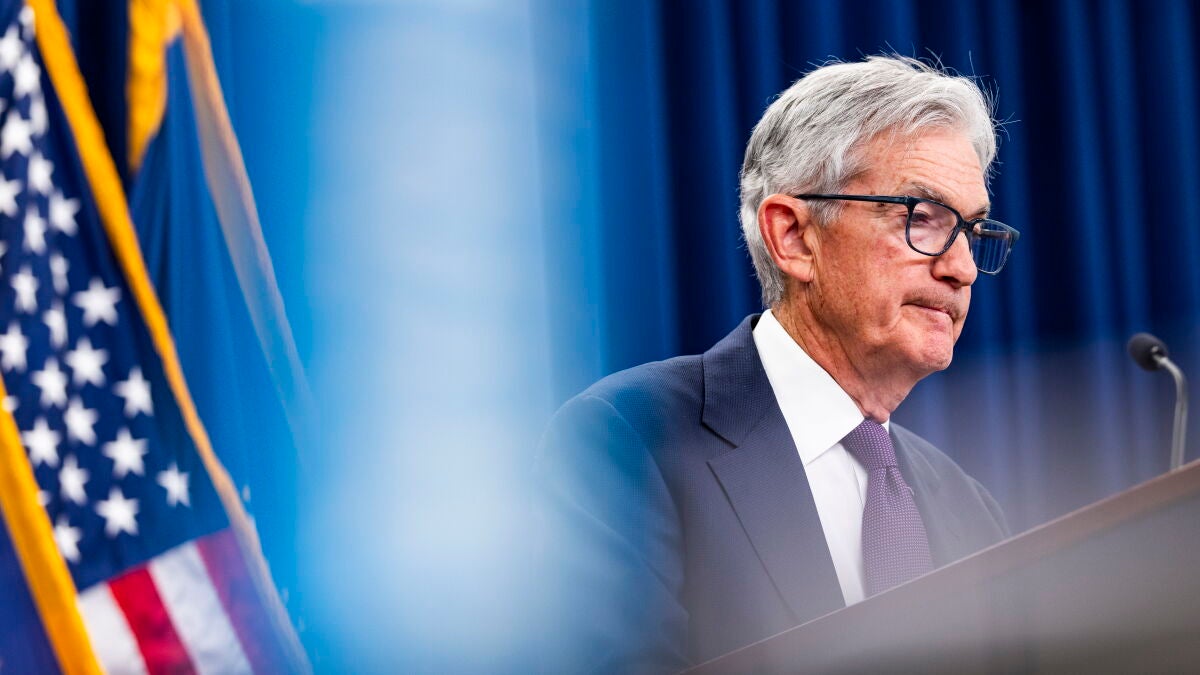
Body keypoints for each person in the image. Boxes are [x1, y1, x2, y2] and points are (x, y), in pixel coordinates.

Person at [535, 56, 1017, 673]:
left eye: (972, 232)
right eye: (922, 219)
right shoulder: (631, 441)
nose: (963, 268)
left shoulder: (970, 509)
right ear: (793, 237)